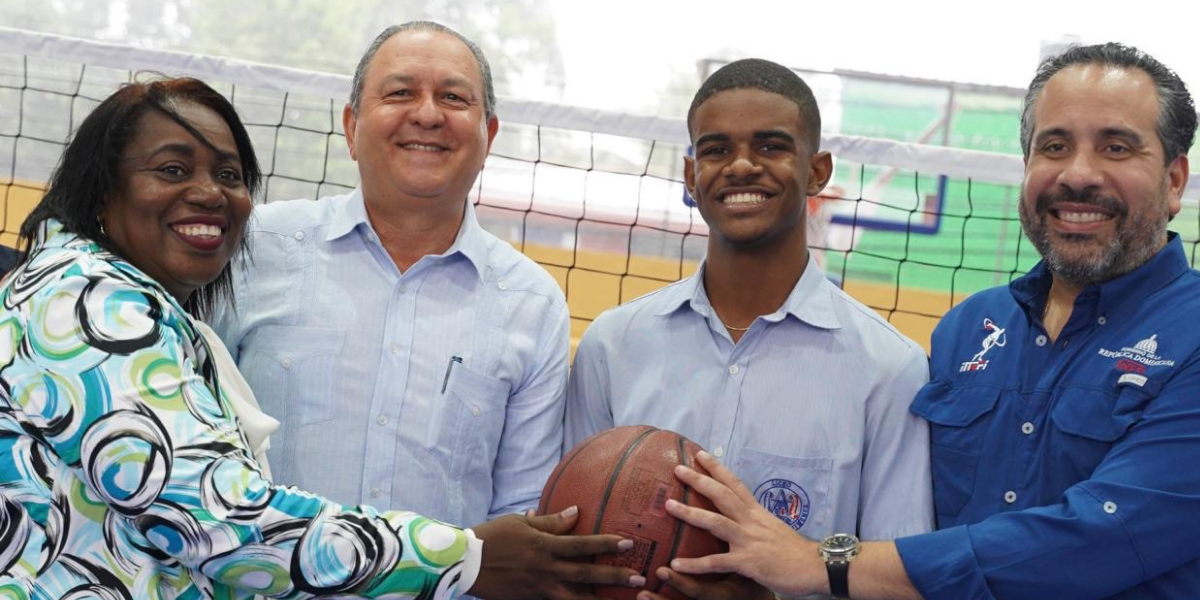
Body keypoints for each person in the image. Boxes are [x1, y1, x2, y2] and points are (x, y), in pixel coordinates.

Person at [0, 76, 644, 599]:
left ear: (488, 135)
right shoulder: (86, 302)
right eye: (172, 169)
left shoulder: (530, 299)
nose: (209, 194)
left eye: (230, 175)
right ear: (103, 189)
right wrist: (462, 558)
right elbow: (212, 518)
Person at [661, 43, 1200, 600]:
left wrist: (822, 563)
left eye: (1116, 147)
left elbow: (1101, 538)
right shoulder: (970, 330)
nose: (1078, 174)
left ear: (1175, 180)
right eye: (1054, 146)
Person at [564, 58, 933, 600]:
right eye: (716, 150)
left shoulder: (890, 368)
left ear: (818, 171)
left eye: (771, 146)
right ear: (690, 176)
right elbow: (571, 538)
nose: (740, 166)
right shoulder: (612, 344)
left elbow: (897, 582)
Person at [212, 20, 569, 529]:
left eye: (453, 97)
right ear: (351, 126)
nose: (427, 114)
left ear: (488, 136)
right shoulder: (251, 248)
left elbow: (520, 511)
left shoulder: (533, 304)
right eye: (401, 92)